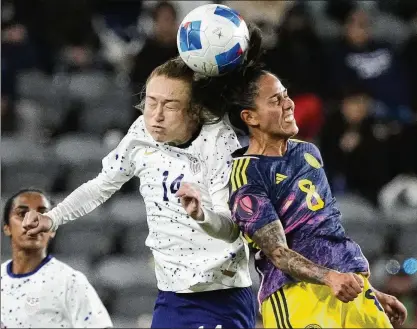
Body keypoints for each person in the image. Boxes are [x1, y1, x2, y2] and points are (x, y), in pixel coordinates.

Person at [189, 25, 408, 328]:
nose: (289, 104)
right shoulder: (245, 175)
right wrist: (330, 278)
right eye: (275, 101)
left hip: (350, 287)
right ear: (249, 117)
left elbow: (328, 235)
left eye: (286, 96)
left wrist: (368, 291)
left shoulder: (308, 153)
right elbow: (278, 253)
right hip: (296, 296)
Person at [21, 57, 255, 328]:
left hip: (221, 296)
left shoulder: (219, 142)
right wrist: (54, 217)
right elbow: (101, 185)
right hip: (171, 296)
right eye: (151, 102)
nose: (156, 115)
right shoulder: (140, 135)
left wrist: (202, 215)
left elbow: (231, 229)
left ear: (194, 110)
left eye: (169, 105)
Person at [1, 188, 112, 328]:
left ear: (52, 229)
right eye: (22, 214)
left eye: (42, 215)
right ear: (7, 227)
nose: (32, 222)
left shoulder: (70, 282)